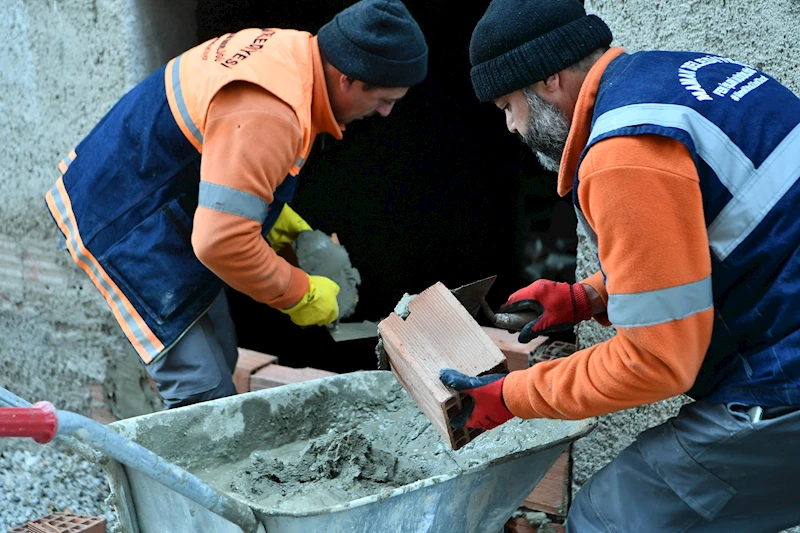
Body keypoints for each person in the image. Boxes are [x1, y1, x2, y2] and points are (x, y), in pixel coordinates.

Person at [440, 0, 800, 531]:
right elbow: (725, 244)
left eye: (506, 107)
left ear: (548, 79)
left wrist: (512, 396)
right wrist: (590, 297)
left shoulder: (623, 154)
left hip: (785, 381)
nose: (512, 128)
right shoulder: (678, 76)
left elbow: (656, 362)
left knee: (608, 516)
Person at [45, 0, 428, 409]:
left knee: (222, 351)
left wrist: (286, 229)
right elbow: (220, 243)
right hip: (124, 218)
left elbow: (229, 166)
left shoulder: (294, 57)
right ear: (348, 79)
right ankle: (172, 473)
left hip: (164, 198)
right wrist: (303, 293)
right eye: (385, 98)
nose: (387, 112)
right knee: (202, 390)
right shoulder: (272, 110)